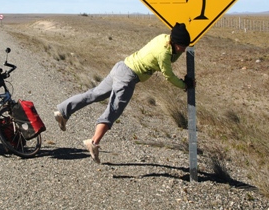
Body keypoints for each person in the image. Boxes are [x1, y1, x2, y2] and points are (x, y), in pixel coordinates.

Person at [54, 23, 195, 164]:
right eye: (182, 46)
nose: (183, 50)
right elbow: (169, 75)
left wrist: (178, 53)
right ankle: (93, 142)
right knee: (114, 110)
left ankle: (63, 112)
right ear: (174, 42)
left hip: (121, 67)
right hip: (128, 77)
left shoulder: (163, 38)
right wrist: (185, 85)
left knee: (94, 94)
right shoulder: (163, 53)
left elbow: (173, 57)